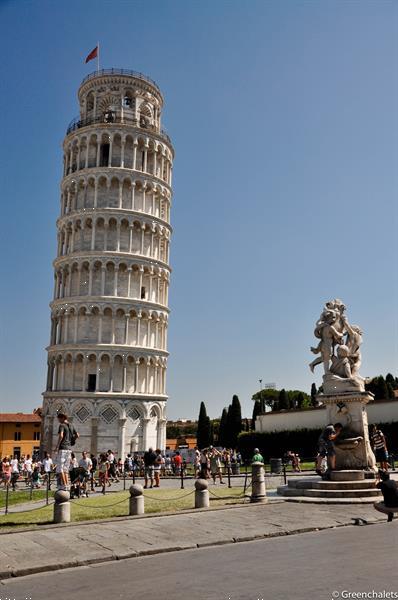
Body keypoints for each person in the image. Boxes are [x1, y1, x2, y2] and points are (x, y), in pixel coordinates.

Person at [54, 412, 79, 490]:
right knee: (65, 469)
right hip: (69, 450)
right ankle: (67, 485)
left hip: (63, 448)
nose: (58, 420)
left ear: (62, 418)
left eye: (59, 418)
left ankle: (64, 485)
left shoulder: (62, 425)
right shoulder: (71, 425)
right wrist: (72, 441)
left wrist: (57, 447)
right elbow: (77, 435)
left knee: (60, 468)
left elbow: (61, 436)